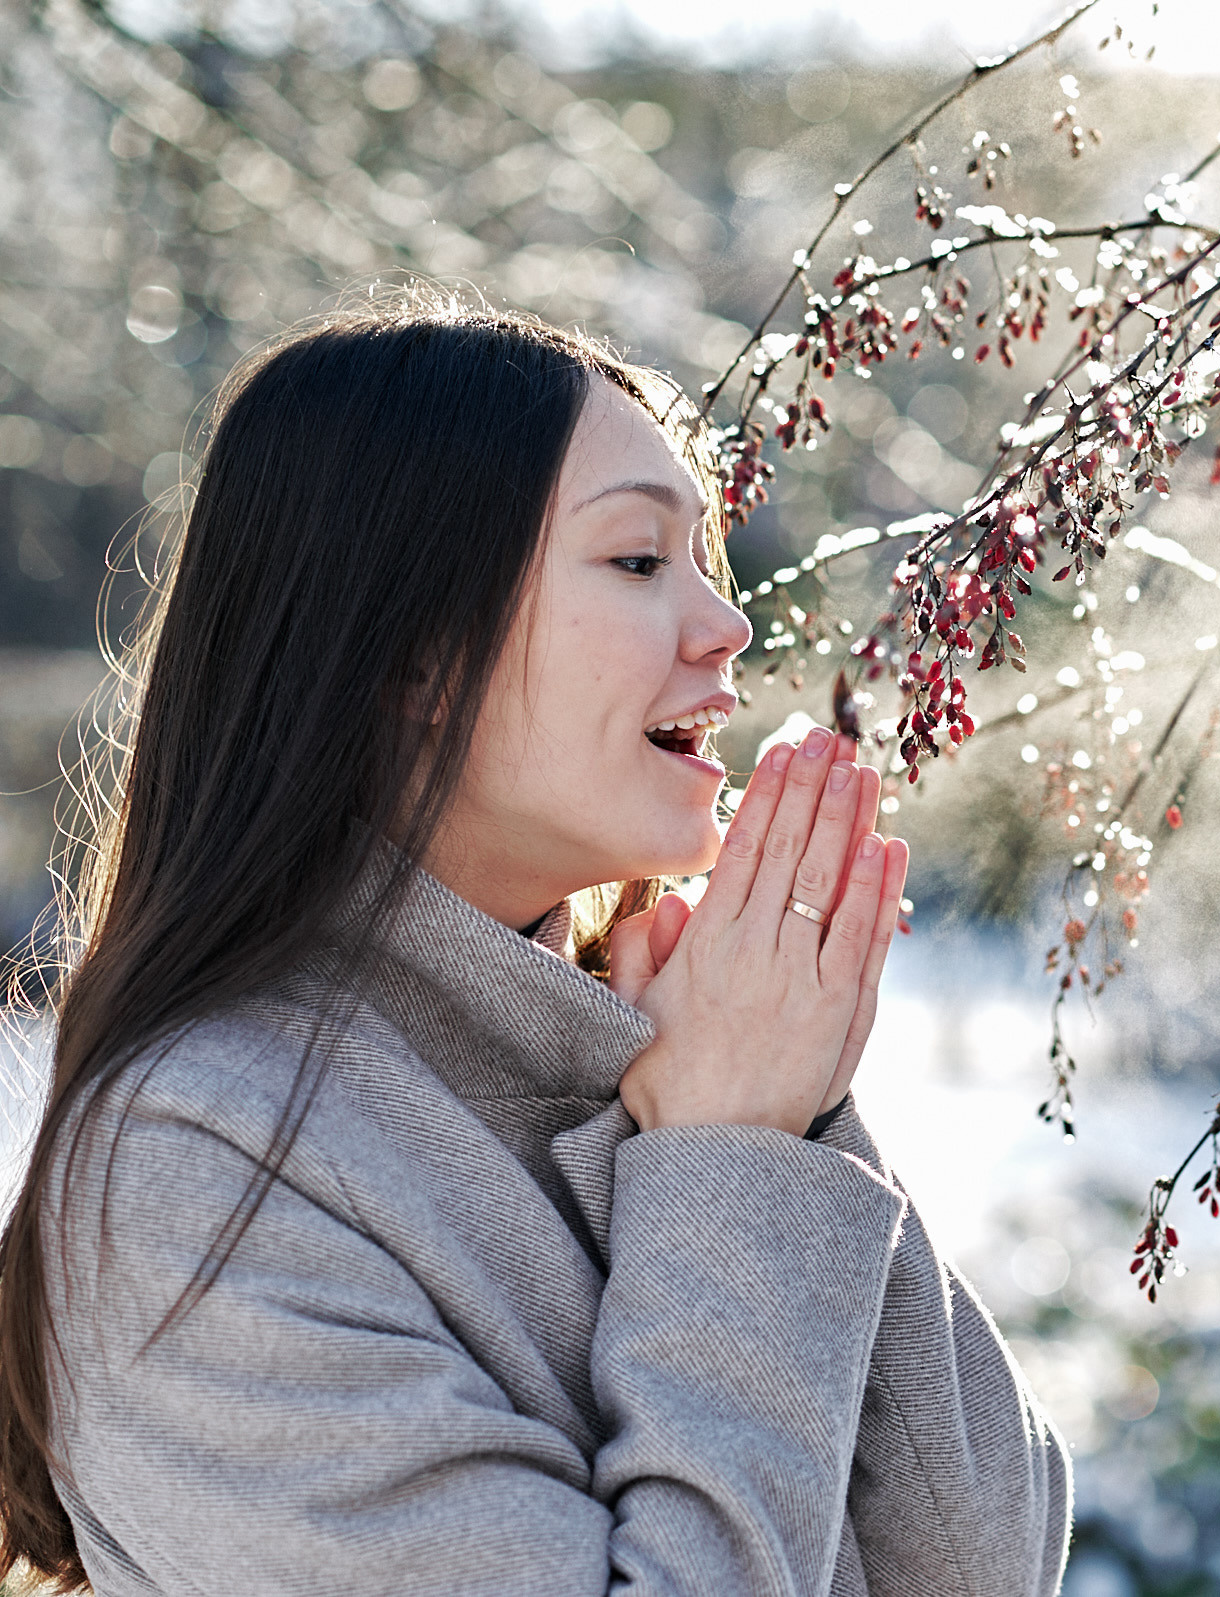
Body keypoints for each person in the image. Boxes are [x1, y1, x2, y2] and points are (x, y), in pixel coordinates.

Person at [0, 295, 1071, 1595]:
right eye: (637, 561)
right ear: (410, 650)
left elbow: (978, 1565)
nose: (726, 630)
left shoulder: (654, 1055)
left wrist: (790, 1107)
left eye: (707, 562)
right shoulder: (193, 1171)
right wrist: (731, 1149)